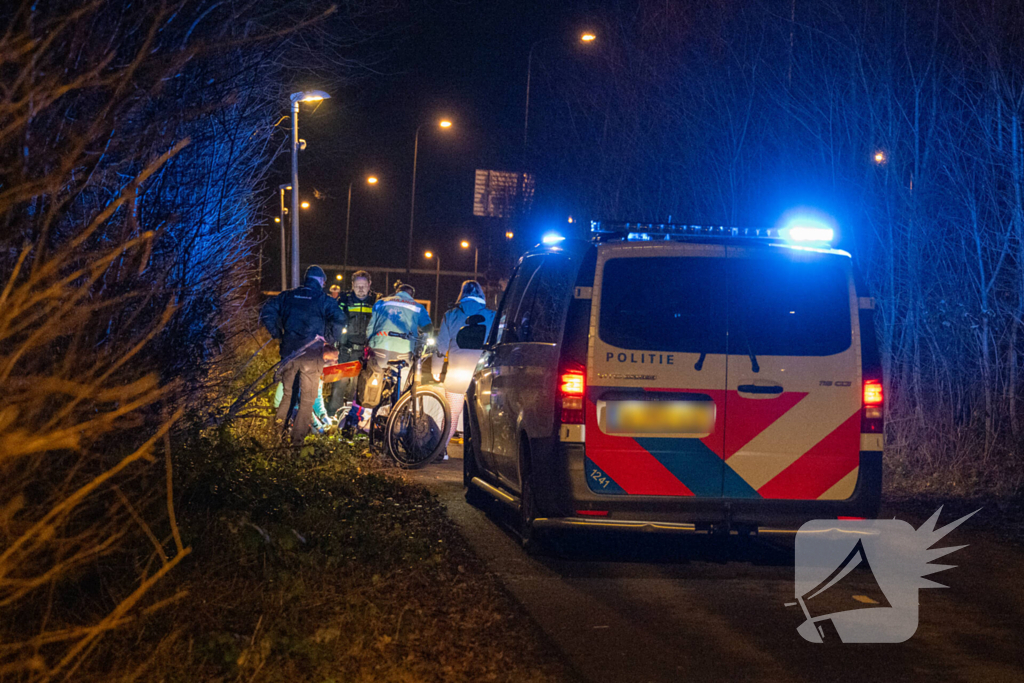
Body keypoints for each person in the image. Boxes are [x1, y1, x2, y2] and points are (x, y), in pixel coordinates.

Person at [260, 265, 346, 443]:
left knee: (288, 395)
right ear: (321, 281)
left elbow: (267, 310)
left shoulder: (288, 296)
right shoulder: (324, 299)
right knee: (307, 399)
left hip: (290, 353)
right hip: (311, 355)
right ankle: (296, 441)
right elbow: (340, 319)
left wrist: (277, 332)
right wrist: (328, 338)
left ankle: (276, 435)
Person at [433, 280, 495, 458]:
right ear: (482, 295)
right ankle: (482, 456)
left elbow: (441, 344)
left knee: (452, 413)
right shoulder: (492, 315)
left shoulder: (450, 315)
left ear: (462, 294)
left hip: (456, 373)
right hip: (481, 374)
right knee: (483, 416)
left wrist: (437, 368)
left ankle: (440, 450)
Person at [361, 281, 432, 406]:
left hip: (379, 348)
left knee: (372, 379)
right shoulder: (418, 307)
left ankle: (366, 416)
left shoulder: (381, 302)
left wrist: (370, 343)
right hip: (403, 350)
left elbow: (371, 328)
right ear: (412, 295)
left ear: (397, 292)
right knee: (403, 382)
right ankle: (398, 412)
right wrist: (423, 348)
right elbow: (428, 329)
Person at [327, 271, 379, 415]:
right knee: (339, 386)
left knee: (359, 388)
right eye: (357, 286)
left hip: (366, 354)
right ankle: (332, 417)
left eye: (363, 285)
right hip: (346, 351)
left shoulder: (376, 301)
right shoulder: (345, 299)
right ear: (352, 285)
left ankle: (354, 420)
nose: (361, 289)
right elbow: (334, 319)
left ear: (369, 285)